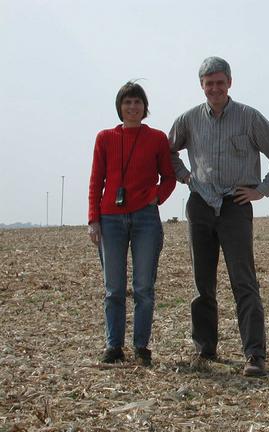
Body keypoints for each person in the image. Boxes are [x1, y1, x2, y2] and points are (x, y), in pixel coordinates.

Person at [169, 56, 269, 376]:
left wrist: (262, 190)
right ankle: (205, 349)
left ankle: (254, 354)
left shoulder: (249, 118)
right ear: (201, 86)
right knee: (202, 283)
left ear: (229, 83)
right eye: (208, 83)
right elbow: (167, 151)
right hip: (200, 204)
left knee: (243, 281)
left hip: (235, 205)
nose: (214, 88)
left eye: (220, 82)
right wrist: (184, 176)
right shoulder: (188, 120)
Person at [88, 81, 176, 366]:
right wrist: (93, 220)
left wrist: (156, 198)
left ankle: (141, 347)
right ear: (120, 107)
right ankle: (114, 346)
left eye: (137, 102)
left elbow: (169, 176)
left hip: (145, 219)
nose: (132, 107)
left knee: (143, 288)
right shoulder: (104, 138)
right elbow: (96, 181)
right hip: (110, 219)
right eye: (127, 102)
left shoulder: (157, 138)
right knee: (113, 288)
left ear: (144, 107)